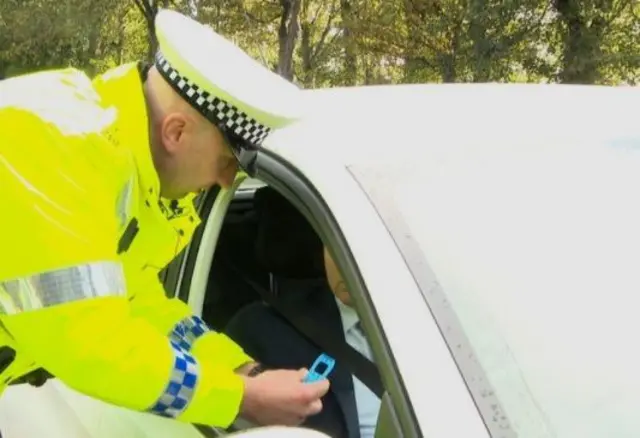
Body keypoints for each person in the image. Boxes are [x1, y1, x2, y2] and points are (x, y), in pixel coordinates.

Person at [0, 8, 328, 429]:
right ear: (175, 133)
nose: (227, 181)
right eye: (227, 160)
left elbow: (138, 301)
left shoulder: (123, 169)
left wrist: (241, 372)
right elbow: (92, 340)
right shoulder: (53, 143)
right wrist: (241, 399)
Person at [224, 187, 381, 438]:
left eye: (359, 247)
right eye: (334, 245)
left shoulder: (437, 325)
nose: (344, 263)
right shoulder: (263, 331)